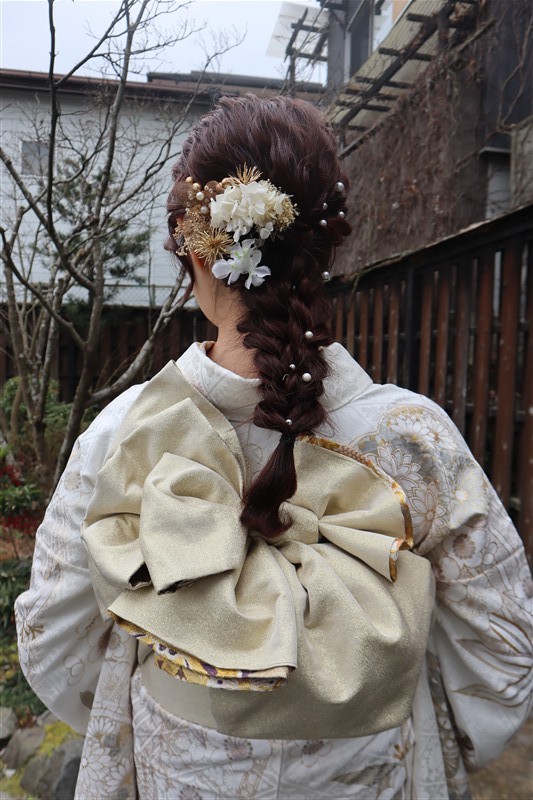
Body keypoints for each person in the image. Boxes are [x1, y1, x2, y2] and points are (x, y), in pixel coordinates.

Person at [16, 94, 532, 800]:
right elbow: (502, 654)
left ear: (192, 246)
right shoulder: (416, 438)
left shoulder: (126, 434)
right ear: (321, 248)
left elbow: (53, 638)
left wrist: (161, 697)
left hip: (178, 774)